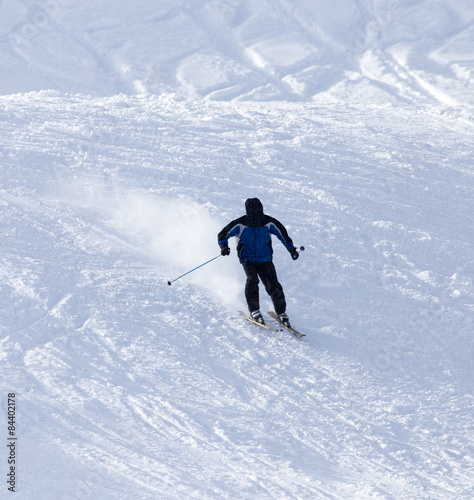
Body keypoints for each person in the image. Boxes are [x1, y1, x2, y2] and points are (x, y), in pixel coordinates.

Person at [217, 198, 299, 327]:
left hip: (265, 258)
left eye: (259, 209)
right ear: (248, 210)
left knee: (273, 284)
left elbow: (282, 233)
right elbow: (222, 234)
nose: (256, 212)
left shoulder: (268, 222)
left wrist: (291, 249)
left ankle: (281, 312)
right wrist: (224, 247)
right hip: (247, 259)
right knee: (252, 280)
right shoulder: (241, 223)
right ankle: (254, 310)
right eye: (253, 209)